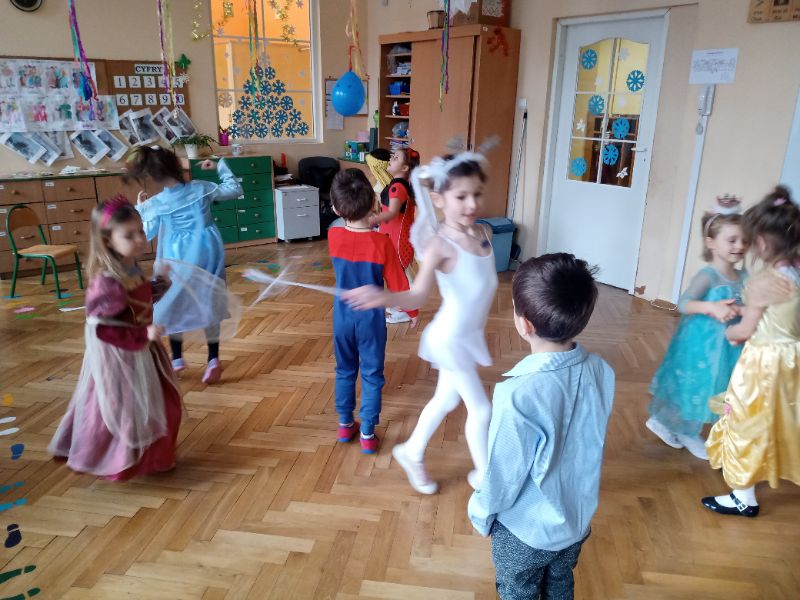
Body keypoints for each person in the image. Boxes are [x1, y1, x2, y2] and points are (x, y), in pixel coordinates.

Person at [344, 151, 498, 493]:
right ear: (439, 199)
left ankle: (411, 452)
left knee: (445, 400)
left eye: (477, 194)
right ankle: (486, 480)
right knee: (482, 409)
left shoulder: (484, 232)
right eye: (461, 196)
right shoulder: (441, 247)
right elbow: (416, 296)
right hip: (450, 339)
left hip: (467, 336)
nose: (472, 204)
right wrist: (382, 297)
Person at [467, 254, 614, 600]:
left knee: (518, 590)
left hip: (525, 531)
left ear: (524, 324)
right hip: (575, 520)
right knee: (560, 582)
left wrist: (480, 512)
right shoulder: (602, 370)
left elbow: (504, 474)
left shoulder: (517, 395)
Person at [48, 196, 182, 480]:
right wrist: (143, 333)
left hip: (144, 350)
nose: (140, 239)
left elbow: (139, 300)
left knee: (163, 405)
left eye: (141, 231)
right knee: (127, 412)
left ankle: (155, 458)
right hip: (122, 357)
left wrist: (160, 284)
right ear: (108, 240)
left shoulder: (130, 267)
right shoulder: (107, 281)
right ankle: (120, 460)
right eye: (129, 235)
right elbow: (103, 328)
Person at [702, 186, 800, 517]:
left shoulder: (764, 283)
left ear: (762, 243)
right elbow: (782, 315)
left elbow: (744, 332)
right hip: (794, 358)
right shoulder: (796, 271)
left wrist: (730, 331)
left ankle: (744, 496)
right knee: (785, 417)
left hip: (764, 364)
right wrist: (748, 311)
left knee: (747, 420)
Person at [127, 146, 243, 384]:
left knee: (173, 301)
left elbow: (147, 234)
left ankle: (177, 358)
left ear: (154, 176)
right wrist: (220, 165)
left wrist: (141, 208)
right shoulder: (201, 187)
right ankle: (213, 359)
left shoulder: (157, 203)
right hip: (208, 251)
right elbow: (235, 189)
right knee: (210, 299)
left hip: (176, 256)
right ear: (177, 166)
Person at [646, 198, 747, 459]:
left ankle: (683, 425)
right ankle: (684, 430)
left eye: (744, 240)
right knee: (695, 386)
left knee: (718, 387)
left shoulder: (743, 277)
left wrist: (743, 311)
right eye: (732, 240)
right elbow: (684, 303)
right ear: (711, 242)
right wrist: (710, 307)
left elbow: (747, 306)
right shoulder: (708, 276)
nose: (740, 246)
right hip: (701, 345)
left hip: (728, 347)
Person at [328, 169, 418, 453]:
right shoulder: (382, 243)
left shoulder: (333, 236)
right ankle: (367, 433)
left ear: (335, 209)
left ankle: (345, 424)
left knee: (344, 370)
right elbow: (399, 282)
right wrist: (412, 311)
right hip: (371, 321)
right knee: (371, 374)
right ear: (373, 205)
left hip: (342, 318)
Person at [369, 147, 421, 324]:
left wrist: (369, 220)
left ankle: (405, 310)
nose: (391, 159)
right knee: (397, 274)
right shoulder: (398, 184)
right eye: (392, 156)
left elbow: (391, 213)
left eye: (396, 157)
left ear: (405, 168)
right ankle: (402, 306)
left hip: (397, 240)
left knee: (398, 275)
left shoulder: (398, 186)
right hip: (393, 237)